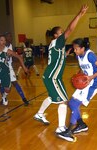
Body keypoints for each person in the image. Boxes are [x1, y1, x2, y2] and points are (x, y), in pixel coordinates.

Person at [33, 5, 88, 142]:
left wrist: (67, 52)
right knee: (64, 101)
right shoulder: (57, 42)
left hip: (51, 76)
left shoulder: (56, 45)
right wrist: (79, 14)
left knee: (53, 98)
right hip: (53, 78)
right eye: (61, 32)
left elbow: (60, 56)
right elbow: (70, 29)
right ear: (56, 35)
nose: (63, 33)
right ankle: (61, 128)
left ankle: (40, 114)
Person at [58, 38, 97, 141]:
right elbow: (83, 68)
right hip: (85, 82)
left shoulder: (90, 55)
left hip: (94, 82)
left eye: (76, 49)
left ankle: (69, 131)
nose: (74, 51)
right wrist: (78, 75)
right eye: (74, 49)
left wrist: (91, 77)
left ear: (82, 48)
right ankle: (82, 125)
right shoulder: (79, 55)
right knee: (71, 103)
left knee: (75, 104)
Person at [0, 35, 28, 113]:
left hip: (5, 72)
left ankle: (4, 97)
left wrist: (24, 67)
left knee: (8, 89)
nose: (3, 42)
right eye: (1, 40)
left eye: (4, 41)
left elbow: (19, 57)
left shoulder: (8, 51)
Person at [0, 32, 29, 106]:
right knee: (1, 84)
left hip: (9, 67)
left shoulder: (11, 45)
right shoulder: (1, 47)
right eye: (9, 36)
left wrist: (15, 59)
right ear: (5, 38)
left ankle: (23, 98)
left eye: (11, 36)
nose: (11, 38)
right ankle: (4, 98)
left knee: (15, 82)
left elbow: (13, 57)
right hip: (1, 68)